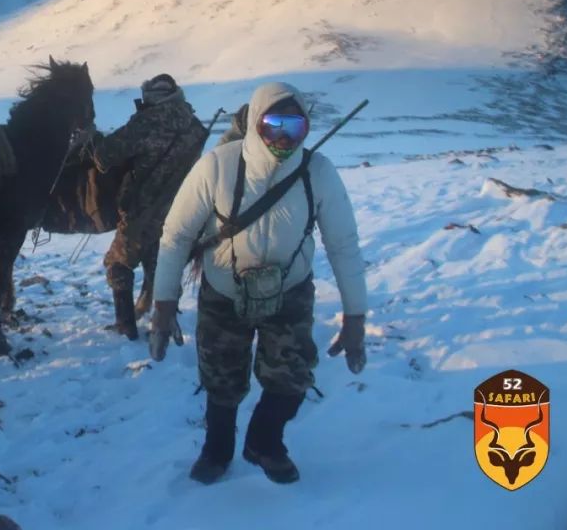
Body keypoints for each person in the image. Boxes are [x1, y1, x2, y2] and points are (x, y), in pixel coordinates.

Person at [147, 81, 368, 485]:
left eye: (295, 127)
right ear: (254, 123)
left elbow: (344, 245)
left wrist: (356, 316)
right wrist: (164, 304)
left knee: (292, 376)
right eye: (274, 124)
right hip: (225, 292)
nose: (283, 137)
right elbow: (176, 236)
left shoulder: (317, 173)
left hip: (290, 292)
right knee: (221, 379)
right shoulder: (217, 166)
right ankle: (217, 450)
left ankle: (265, 441)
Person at [85, 74, 208, 340]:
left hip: (142, 210)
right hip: (180, 210)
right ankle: (165, 320)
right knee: (160, 263)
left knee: (118, 263)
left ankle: (126, 324)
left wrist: (93, 138)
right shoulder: (195, 125)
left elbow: (104, 157)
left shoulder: (146, 124)